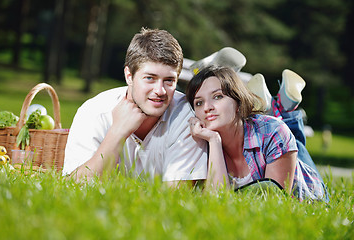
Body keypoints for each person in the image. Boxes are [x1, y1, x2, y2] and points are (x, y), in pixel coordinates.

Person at [63, 28, 208, 185]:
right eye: (150, 78)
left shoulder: (187, 116)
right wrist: (117, 133)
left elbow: (178, 196)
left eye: (169, 81)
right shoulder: (93, 112)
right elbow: (73, 186)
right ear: (129, 76)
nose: (160, 91)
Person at [186, 65, 328, 202]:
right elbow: (216, 202)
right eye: (199, 103)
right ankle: (279, 108)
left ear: (238, 101)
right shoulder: (200, 144)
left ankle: (285, 111)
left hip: (306, 198)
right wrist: (214, 141)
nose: (207, 108)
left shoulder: (273, 131)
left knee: (287, 133)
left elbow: (274, 204)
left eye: (217, 96)